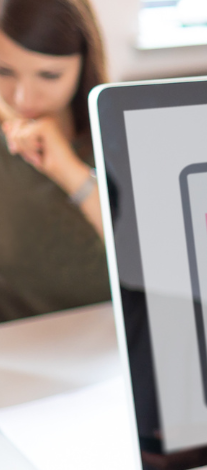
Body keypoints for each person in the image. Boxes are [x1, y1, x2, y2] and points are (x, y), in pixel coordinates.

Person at [0, 0, 110, 322]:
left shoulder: (119, 131)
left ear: (84, 61)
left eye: (49, 75)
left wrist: (70, 173)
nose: (24, 98)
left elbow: (148, 259)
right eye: (4, 71)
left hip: (111, 340)